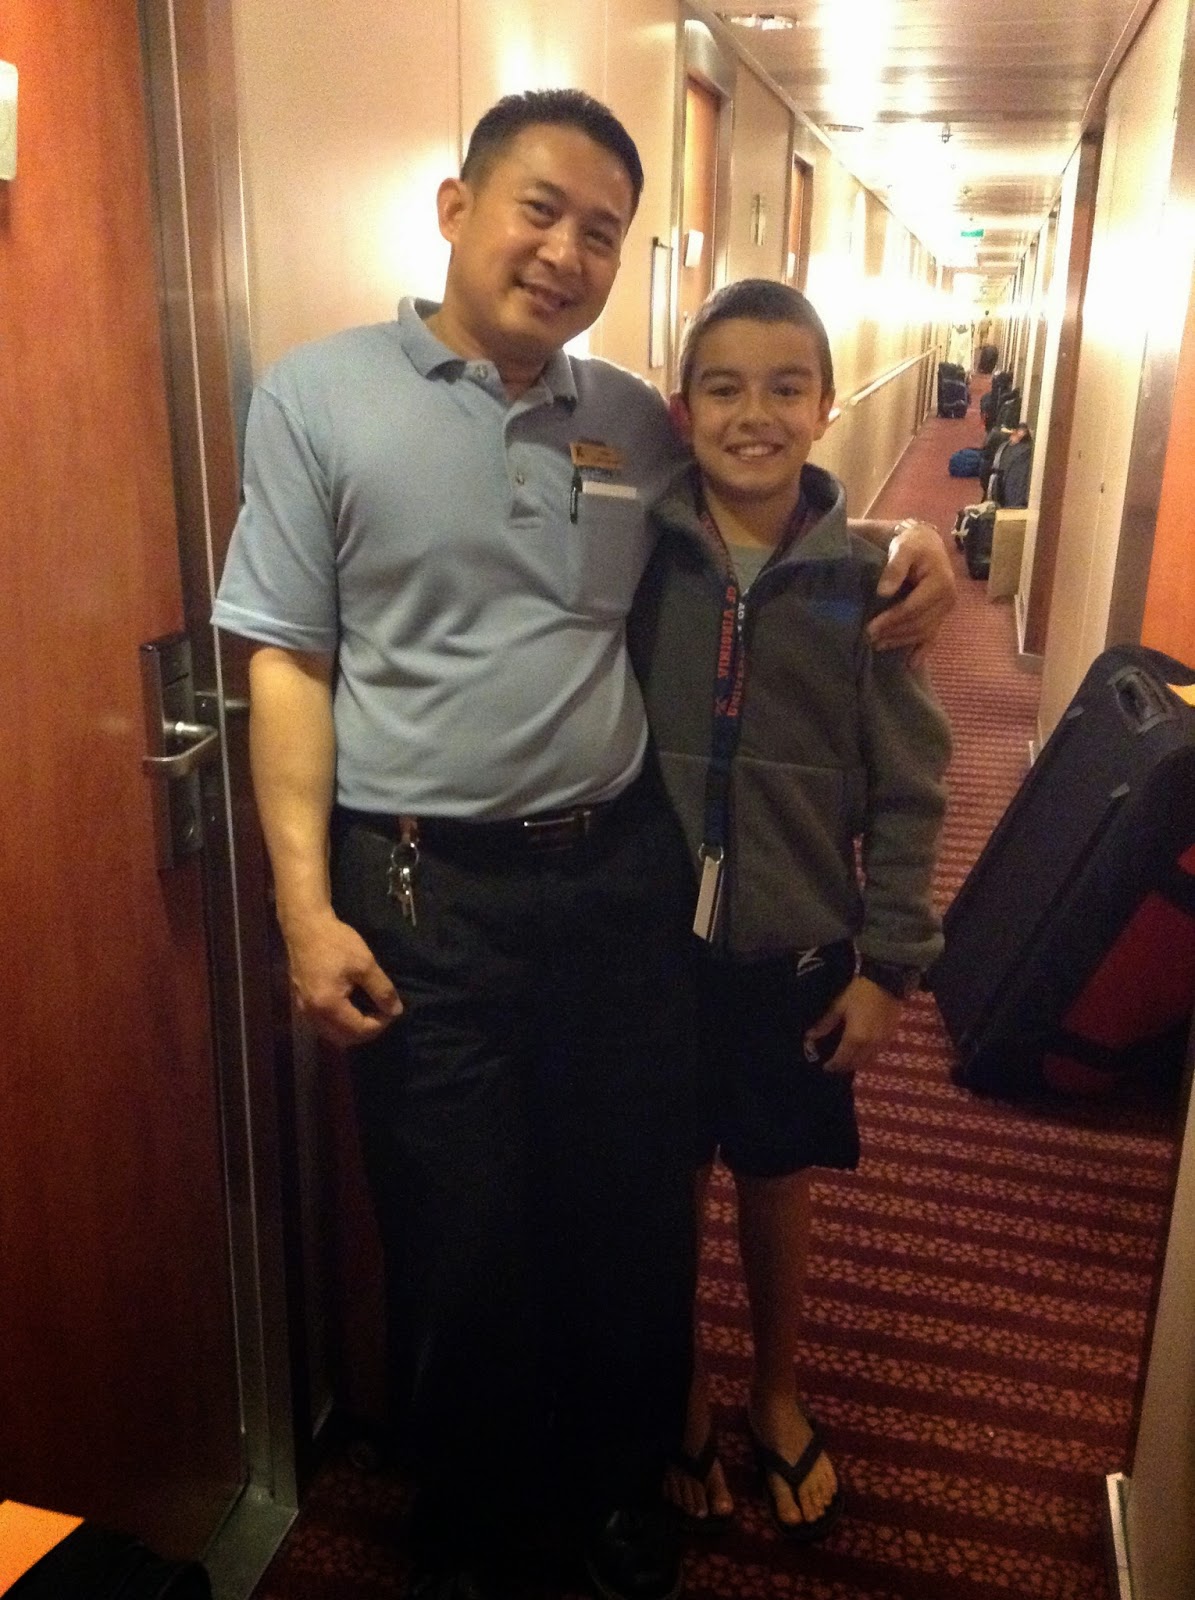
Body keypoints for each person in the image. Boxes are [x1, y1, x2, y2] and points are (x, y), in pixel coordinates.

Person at [212, 91, 955, 1600]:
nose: (564, 253)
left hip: (621, 874)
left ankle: (627, 1499)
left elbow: (764, 502)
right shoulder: (316, 396)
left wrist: (902, 551)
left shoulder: (625, 414)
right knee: (457, 1232)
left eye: (601, 233)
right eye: (538, 210)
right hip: (420, 887)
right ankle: (480, 1532)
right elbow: (285, 658)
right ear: (454, 207)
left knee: (628, 1211)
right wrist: (300, 906)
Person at [629, 279, 951, 1543]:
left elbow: (913, 790)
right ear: (680, 411)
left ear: (825, 408)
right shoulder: (640, 558)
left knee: (774, 1172)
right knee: (662, 1180)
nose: (751, 414)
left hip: (795, 953)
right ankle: (681, 1388)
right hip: (653, 954)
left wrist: (888, 965)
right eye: (721, 388)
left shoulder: (868, 586)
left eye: (782, 388)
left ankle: (773, 1387)